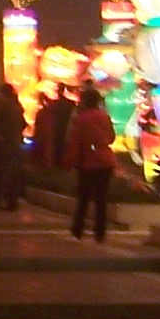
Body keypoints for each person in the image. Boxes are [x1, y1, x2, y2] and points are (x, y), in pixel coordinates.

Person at [67, 85, 118, 243]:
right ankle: (100, 232)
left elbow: (75, 142)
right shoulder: (104, 117)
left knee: (83, 198)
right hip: (106, 161)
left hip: (88, 162)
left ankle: (78, 229)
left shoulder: (80, 119)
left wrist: (70, 162)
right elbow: (111, 137)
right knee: (101, 199)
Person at [0, 83, 29, 211]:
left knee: (1, 173)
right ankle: (12, 202)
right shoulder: (17, 107)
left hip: (5, 144)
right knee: (13, 174)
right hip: (15, 143)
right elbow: (24, 124)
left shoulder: (4, 106)